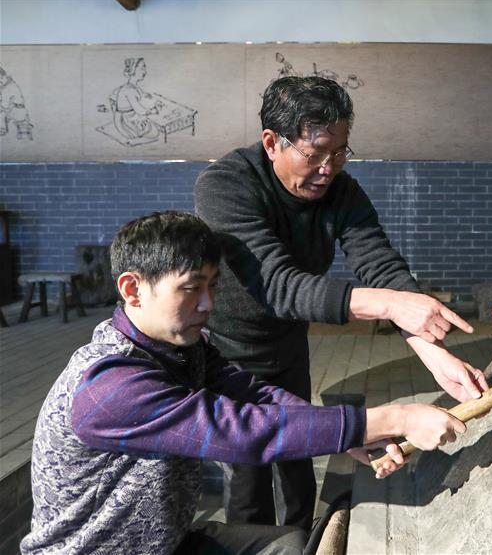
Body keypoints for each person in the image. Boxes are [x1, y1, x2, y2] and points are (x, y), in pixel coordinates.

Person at [20, 211, 464, 555]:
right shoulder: (109, 386)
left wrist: (347, 437)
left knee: (290, 544)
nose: (208, 304)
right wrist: (394, 418)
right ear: (132, 289)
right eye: (191, 288)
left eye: (213, 286)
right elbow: (240, 431)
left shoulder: (180, 348)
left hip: (168, 543)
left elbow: (254, 395)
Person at [194, 76, 488, 532]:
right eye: (315, 154)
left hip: (288, 344)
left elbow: (380, 265)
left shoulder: (342, 192)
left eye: (340, 152)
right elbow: (277, 284)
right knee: (248, 477)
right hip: (228, 353)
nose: (328, 169)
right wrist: (389, 305)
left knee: (299, 463)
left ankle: (300, 539)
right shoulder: (226, 186)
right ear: (272, 143)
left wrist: (434, 354)